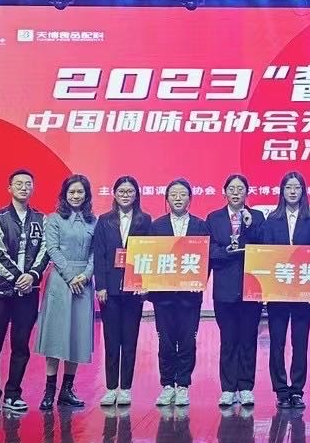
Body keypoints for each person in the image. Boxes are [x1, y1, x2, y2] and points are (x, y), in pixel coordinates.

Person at [0, 169, 47, 415]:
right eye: (18, 184)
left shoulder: (41, 219)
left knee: (21, 346)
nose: (23, 187)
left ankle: (13, 393)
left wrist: (32, 276)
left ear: (33, 188)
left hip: (28, 292)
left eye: (28, 184)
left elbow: (45, 251)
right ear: (9, 188)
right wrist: (19, 277)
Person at [260, 171, 310, 410]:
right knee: (277, 342)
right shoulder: (271, 220)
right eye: (288, 188)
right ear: (282, 192)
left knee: (300, 342)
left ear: (303, 191)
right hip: (277, 291)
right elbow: (266, 253)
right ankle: (280, 389)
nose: (293, 192)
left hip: (302, 292)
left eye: (297, 187)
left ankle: (297, 389)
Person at [34, 173, 97, 411]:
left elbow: (95, 252)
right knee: (55, 336)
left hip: (83, 283)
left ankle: (67, 390)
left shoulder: (94, 221)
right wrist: (70, 276)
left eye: (80, 192)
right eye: (72, 192)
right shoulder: (53, 219)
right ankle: (49, 391)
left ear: (87, 195)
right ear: (64, 194)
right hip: (60, 282)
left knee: (77, 336)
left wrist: (86, 275)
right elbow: (52, 249)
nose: (76, 196)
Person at [91, 175, 153, 408]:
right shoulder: (104, 220)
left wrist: (144, 284)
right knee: (111, 340)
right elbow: (99, 255)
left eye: (130, 191)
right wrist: (101, 286)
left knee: (129, 340)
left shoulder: (145, 221)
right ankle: (110, 388)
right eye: (121, 191)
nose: (125, 195)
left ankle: (125, 388)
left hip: (133, 291)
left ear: (136, 195)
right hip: (110, 290)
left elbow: (150, 254)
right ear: (114, 194)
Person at [149, 178, 209, 408]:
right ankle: (167, 385)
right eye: (173, 194)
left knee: (187, 341)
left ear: (190, 199)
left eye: (182, 194)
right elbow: (150, 257)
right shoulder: (156, 226)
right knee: (165, 341)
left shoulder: (200, 226)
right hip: (163, 296)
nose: (178, 198)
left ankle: (183, 385)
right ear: (167, 199)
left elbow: (206, 260)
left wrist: (200, 280)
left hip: (189, 297)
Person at [207, 173, 266, 408]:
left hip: (251, 287)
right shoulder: (214, 218)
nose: (235, 192)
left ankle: (246, 387)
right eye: (231, 188)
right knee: (228, 339)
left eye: (240, 189)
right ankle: (228, 388)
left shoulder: (257, 217)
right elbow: (209, 250)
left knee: (248, 339)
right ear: (224, 192)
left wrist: (250, 227)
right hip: (225, 289)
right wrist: (226, 252)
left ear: (247, 193)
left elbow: (263, 247)